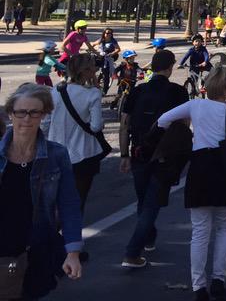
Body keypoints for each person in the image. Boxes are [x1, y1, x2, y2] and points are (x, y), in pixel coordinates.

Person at [158, 67, 226, 301]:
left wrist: (187, 131)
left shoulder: (195, 105)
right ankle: (218, 281)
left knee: (200, 230)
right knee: (225, 225)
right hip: (225, 168)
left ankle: (198, 286)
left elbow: (163, 120)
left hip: (200, 167)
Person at [0, 83, 84, 298]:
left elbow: (69, 205)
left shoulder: (57, 155)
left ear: (44, 115)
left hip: (36, 249)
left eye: (34, 112)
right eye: (21, 112)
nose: (27, 119)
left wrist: (73, 252)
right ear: (10, 114)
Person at [119, 48, 190, 268]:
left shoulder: (138, 91)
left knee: (144, 201)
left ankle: (149, 237)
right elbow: (184, 125)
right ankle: (132, 252)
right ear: (170, 68)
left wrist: (124, 154)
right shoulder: (178, 92)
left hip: (138, 152)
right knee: (152, 204)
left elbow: (124, 125)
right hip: (164, 155)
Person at [48, 54, 105, 226]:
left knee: (56, 198)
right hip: (83, 154)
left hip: (56, 151)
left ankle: (52, 234)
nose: (96, 70)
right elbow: (96, 126)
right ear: (87, 71)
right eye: (93, 67)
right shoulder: (92, 93)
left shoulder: (56, 91)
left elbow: (45, 122)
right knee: (78, 200)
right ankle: (71, 236)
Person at [96, 27, 120, 94]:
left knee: (106, 73)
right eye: (107, 33)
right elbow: (93, 44)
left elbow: (118, 49)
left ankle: (105, 90)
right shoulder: (101, 40)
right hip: (101, 57)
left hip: (110, 57)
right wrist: (91, 49)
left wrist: (111, 54)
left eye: (110, 33)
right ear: (104, 33)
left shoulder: (113, 41)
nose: (109, 34)